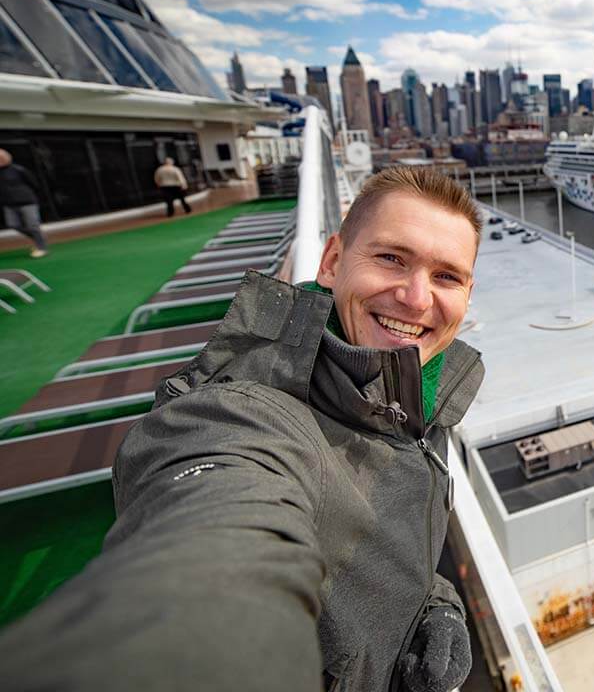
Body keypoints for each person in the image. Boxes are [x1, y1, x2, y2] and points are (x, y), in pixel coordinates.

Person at [0, 167, 485, 692]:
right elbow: (220, 523)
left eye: (446, 277)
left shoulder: (410, 404)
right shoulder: (245, 414)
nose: (416, 298)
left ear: (467, 293)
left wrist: (434, 601)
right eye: (392, 258)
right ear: (332, 262)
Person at [0, 148, 49, 257]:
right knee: (13, 225)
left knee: (32, 225)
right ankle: (38, 238)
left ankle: (42, 248)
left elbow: (34, 183)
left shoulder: (18, 170)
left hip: (27, 202)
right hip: (8, 204)